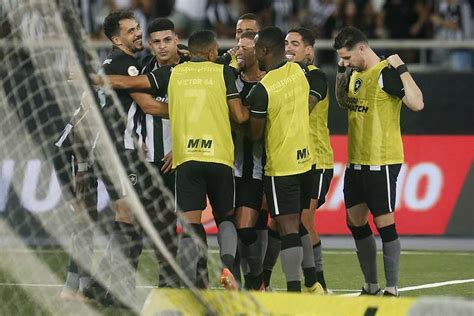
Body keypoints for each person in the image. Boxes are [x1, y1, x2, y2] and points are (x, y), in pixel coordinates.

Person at [102, 30, 250, 289]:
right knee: (225, 218)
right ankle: (228, 270)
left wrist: (94, 78)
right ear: (212, 52)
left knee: (189, 226)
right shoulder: (222, 71)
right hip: (219, 157)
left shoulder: (174, 74)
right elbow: (238, 116)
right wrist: (252, 112)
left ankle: (184, 283)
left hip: (186, 158)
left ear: (185, 50)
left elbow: (130, 84)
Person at [333, 26, 424, 297]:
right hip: (356, 162)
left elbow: (417, 103)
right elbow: (343, 102)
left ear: (362, 48)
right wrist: (342, 71)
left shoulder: (386, 73)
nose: (345, 62)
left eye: (347, 57)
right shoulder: (356, 74)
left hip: (380, 162)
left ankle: (392, 288)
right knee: (355, 221)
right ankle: (371, 285)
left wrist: (402, 68)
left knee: (384, 223)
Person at [246, 26, 318, 292]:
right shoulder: (298, 72)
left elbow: (255, 134)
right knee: (298, 224)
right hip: (306, 161)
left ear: (264, 50)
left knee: (288, 228)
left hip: (282, 167)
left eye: (255, 48)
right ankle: (313, 282)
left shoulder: (263, 90)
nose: (253, 52)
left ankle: (294, 290)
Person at [286, 27, 333, 293]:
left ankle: (318, 284)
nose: (289, 47)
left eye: (295, 43)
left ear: (309, 51)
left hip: (316, 160)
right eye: (286, 43)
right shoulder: (283, 76)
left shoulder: (316, 77)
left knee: (304, 220)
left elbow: (305, 109)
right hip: (292, 159)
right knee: (288, 221)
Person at [232, 30, 266, 290]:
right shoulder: (230, 80)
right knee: (233, 230)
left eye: (245, 47)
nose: (238, 51)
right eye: (237, 46)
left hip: (258, 168)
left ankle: (256, 279)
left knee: (247, 229)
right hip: (231, 166)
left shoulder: (269, 83)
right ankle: (239, 285)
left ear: (258, 51)